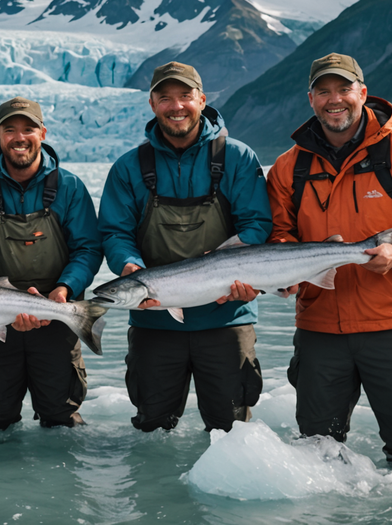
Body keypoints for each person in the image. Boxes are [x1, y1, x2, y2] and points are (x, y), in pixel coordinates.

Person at [266, 53, 392, 478]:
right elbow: (279, 235)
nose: (334, 99)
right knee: (316, 451)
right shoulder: (289, 167)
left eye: (343, 89)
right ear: (311, 99)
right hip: (319, 326)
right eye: (324, 91)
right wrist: (284, 275)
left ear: (362, 92)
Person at [98, 61, 271, 433]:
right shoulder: (129, 167)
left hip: (228, 319)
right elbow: (115, 233)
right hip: (153, 324)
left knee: (232, 432)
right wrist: (128, 266)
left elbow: (258, 225)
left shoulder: (237, 157)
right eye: (165, 98)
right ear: (152, 104)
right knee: (152, 430)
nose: (176, 106)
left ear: (202, 100)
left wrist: (240, 272)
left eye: (185, 96)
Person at [0, 97, 103, 430]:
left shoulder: (70, 188)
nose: (20, 137)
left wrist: (65, 288)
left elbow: (88, 249)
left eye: (28, 128)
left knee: (61, 417)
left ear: (43, 133)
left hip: (56, 318)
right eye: (10, 129)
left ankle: (60, 481)